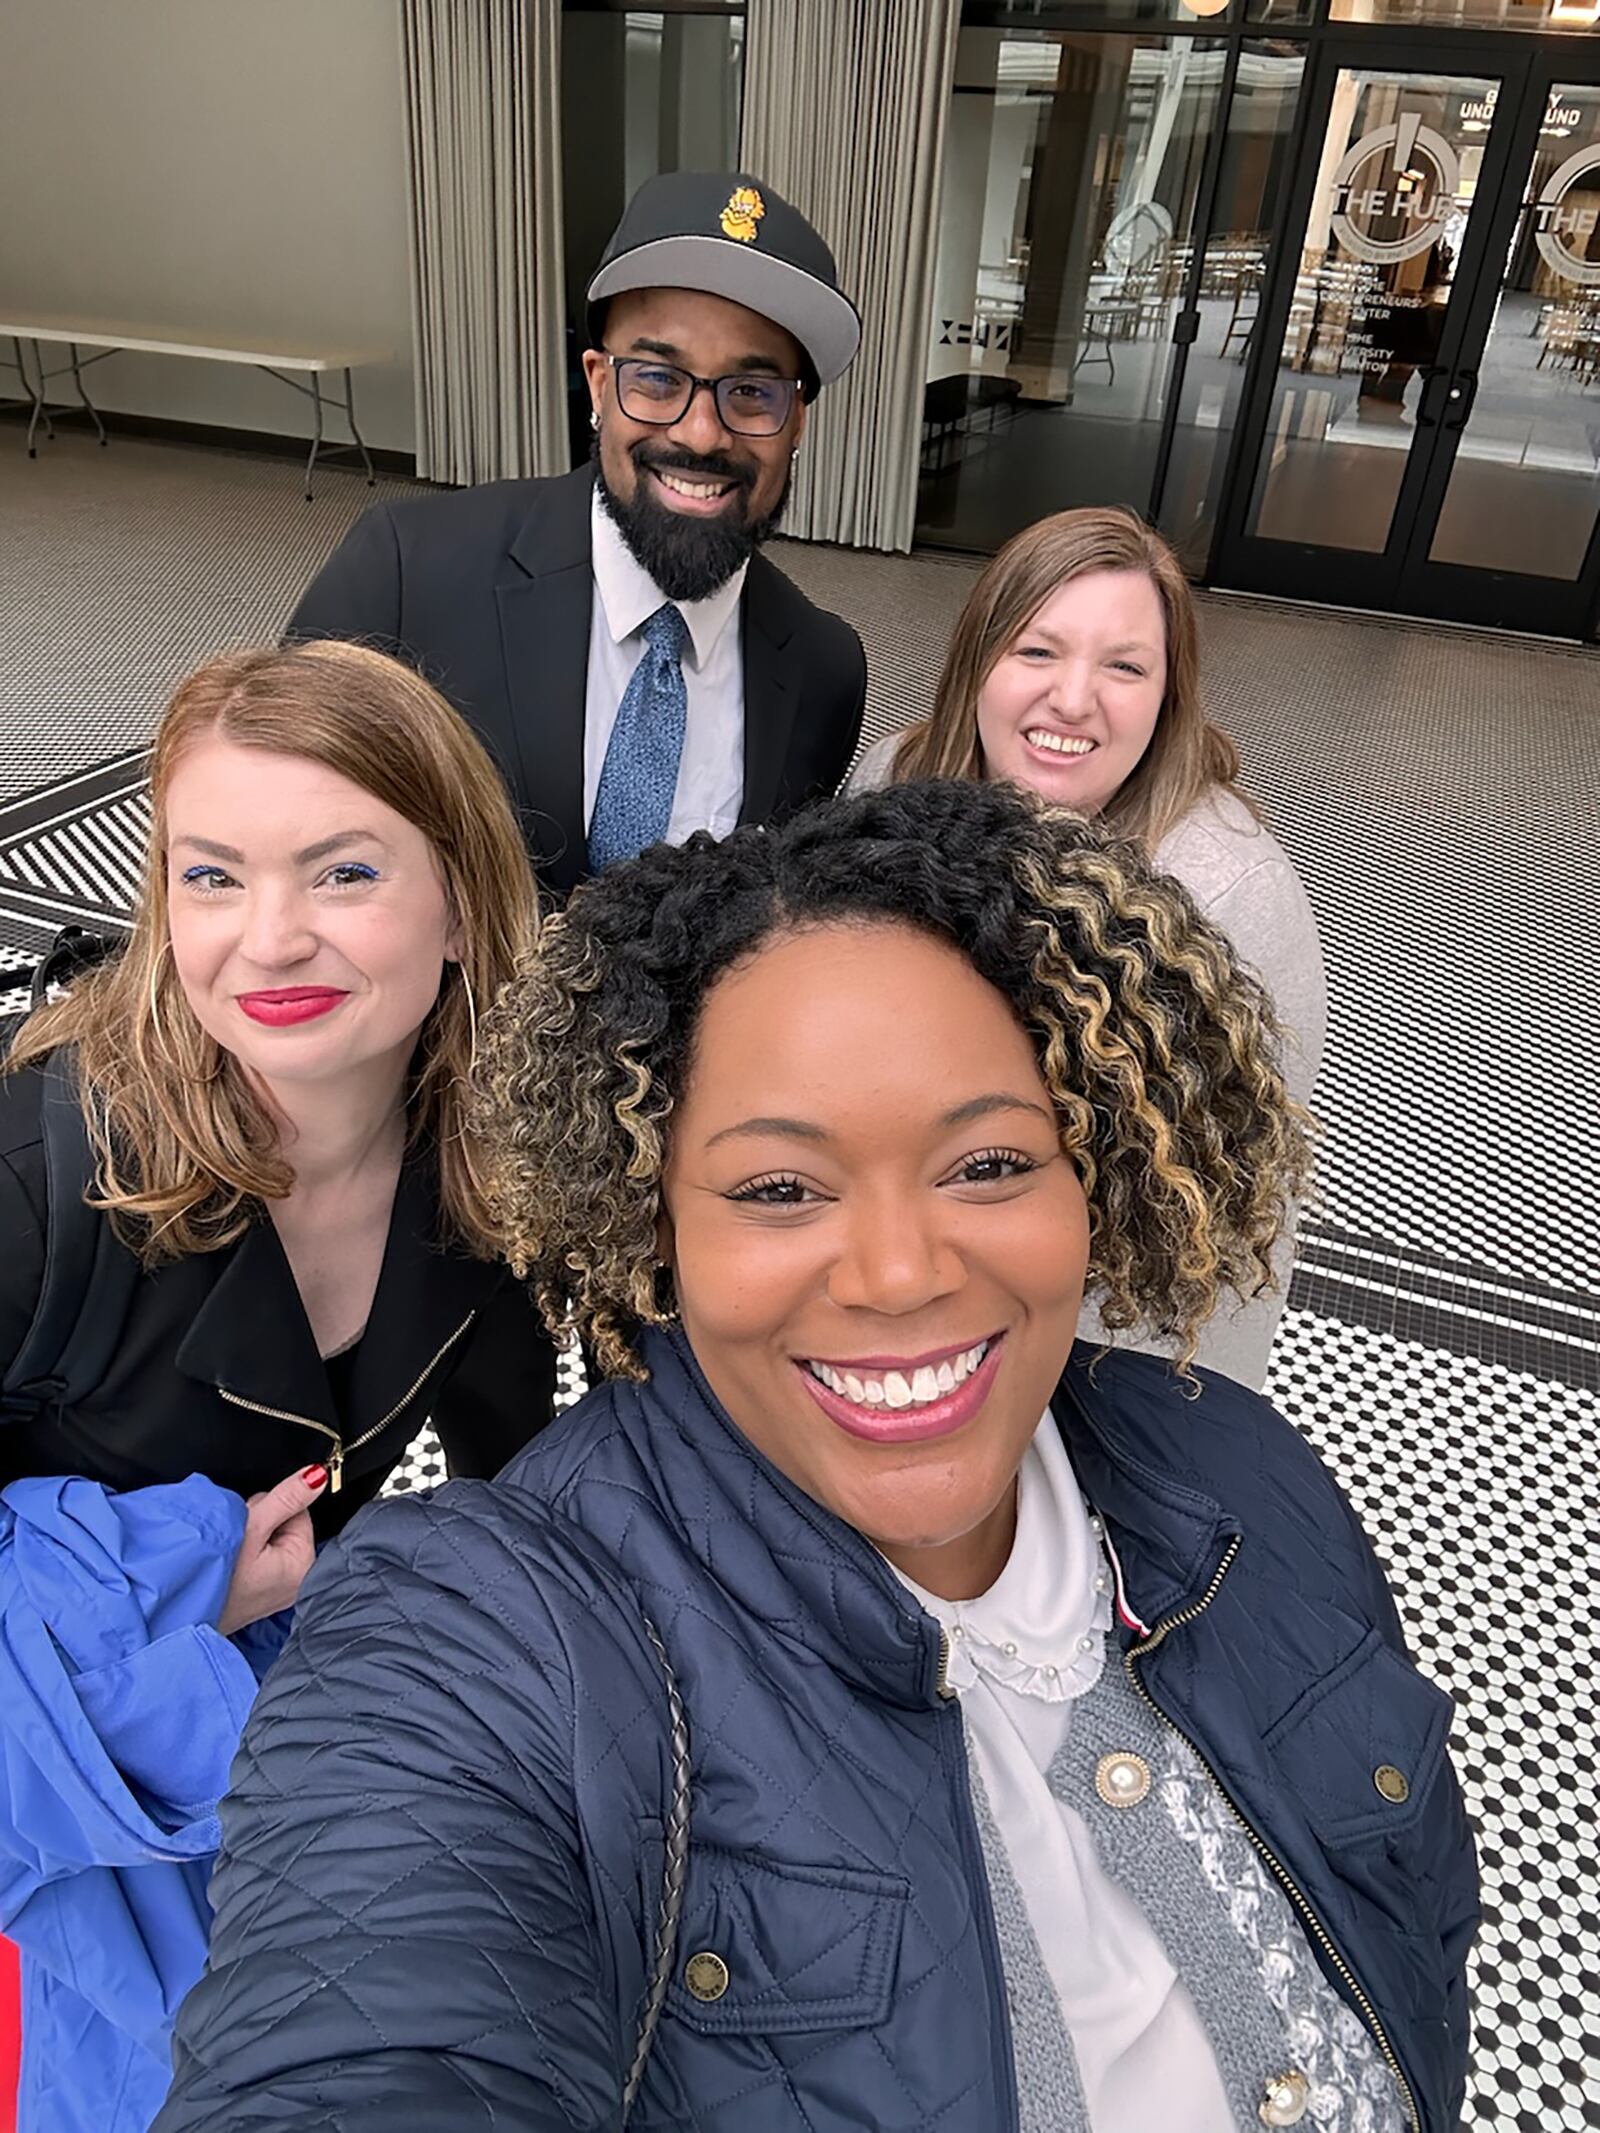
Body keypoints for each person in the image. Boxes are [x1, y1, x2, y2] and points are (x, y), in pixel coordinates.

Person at [157, 783, 1475, 2133]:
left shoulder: (1244, 1469)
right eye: (780, 1189)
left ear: (1097, 1167)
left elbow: (1414, 1926)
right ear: (650, 1216)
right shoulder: (491, 1632)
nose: (900, 1273)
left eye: (990, 1164)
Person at [0, 640, 561, 2133]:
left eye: (344, 873)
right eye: (212, 876)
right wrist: (165, 1582)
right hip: (60, 1830)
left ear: (460, 903)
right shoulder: (41, 1171)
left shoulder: (486, 1156)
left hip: (262, 1785)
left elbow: (533, 1461)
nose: (268, 940)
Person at [848, 507, 1327, 1389]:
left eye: (1124, 666)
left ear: (1167, 694)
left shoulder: (1225, 895)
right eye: (1036, 650)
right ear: (976, 662)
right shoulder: (895, 784)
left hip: (1105, 1348)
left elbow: (1220, 1222)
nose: (1073, 699)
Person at [288, 171, 868, 897]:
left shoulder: (824, 670)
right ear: (598, 386)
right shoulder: (406, 575)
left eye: (751, 393)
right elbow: (273, 845)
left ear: (797, 424)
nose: (700, 432)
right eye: (658, 378)